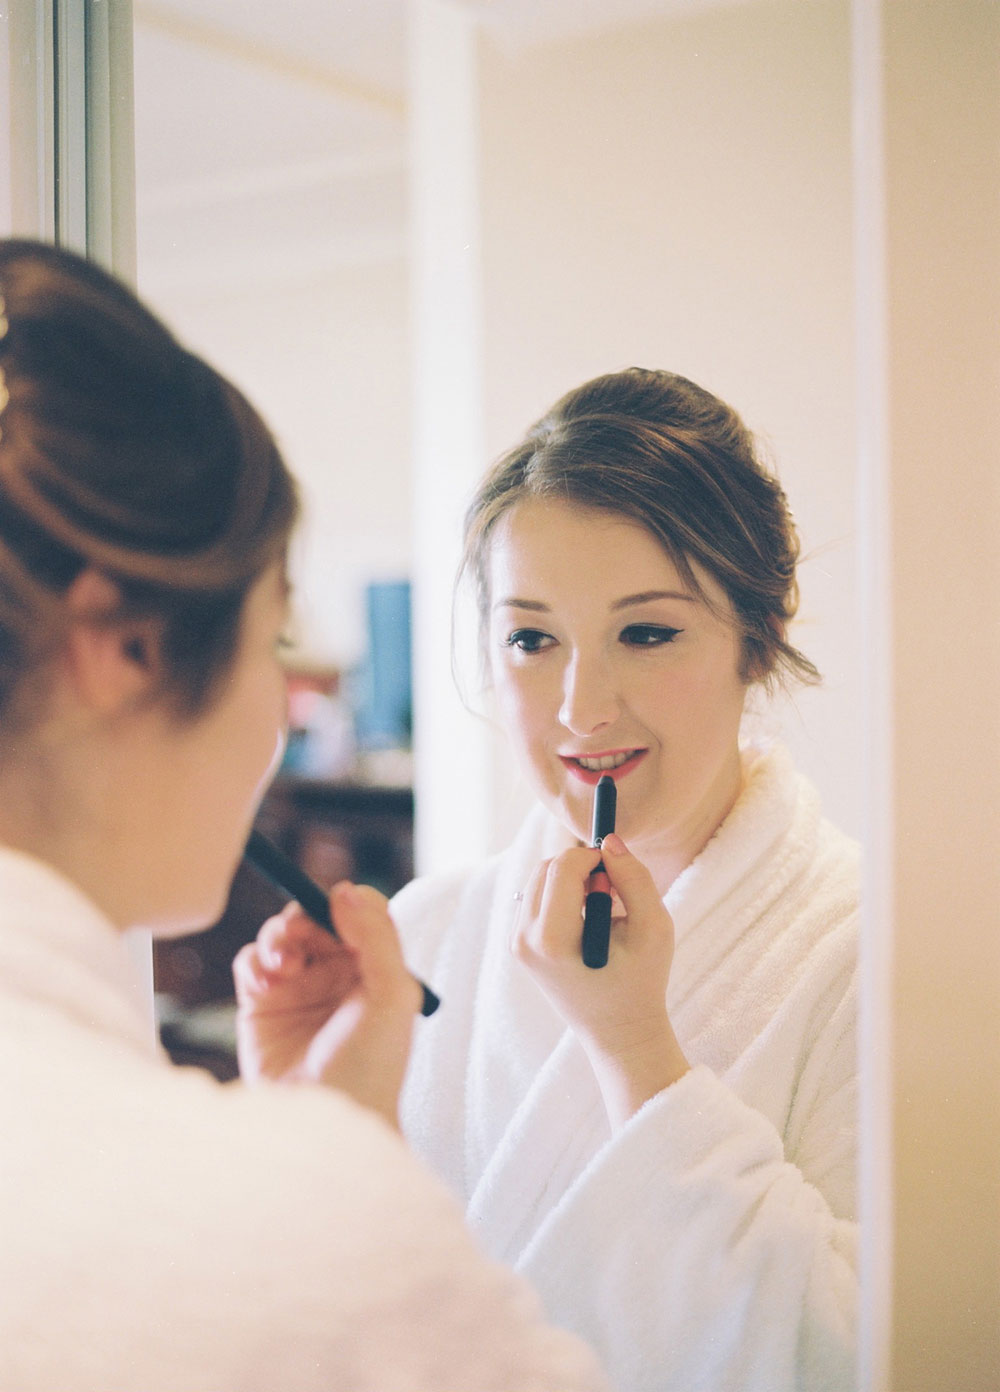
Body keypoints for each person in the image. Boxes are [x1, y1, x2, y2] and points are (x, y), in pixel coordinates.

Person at [0, 238, 609, 1392]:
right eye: (274, 638)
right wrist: (326, 1188)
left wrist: (321, 1147)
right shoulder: (264, 1229)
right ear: (125, 646)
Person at [240, 367, 859, 1392]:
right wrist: (318, 1118)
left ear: (759, 631)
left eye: (646, 632)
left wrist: (637, 1050)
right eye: (532, 639)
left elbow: (863, 1350)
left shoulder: (867, 951)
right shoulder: (427, 936)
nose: (580, 708)